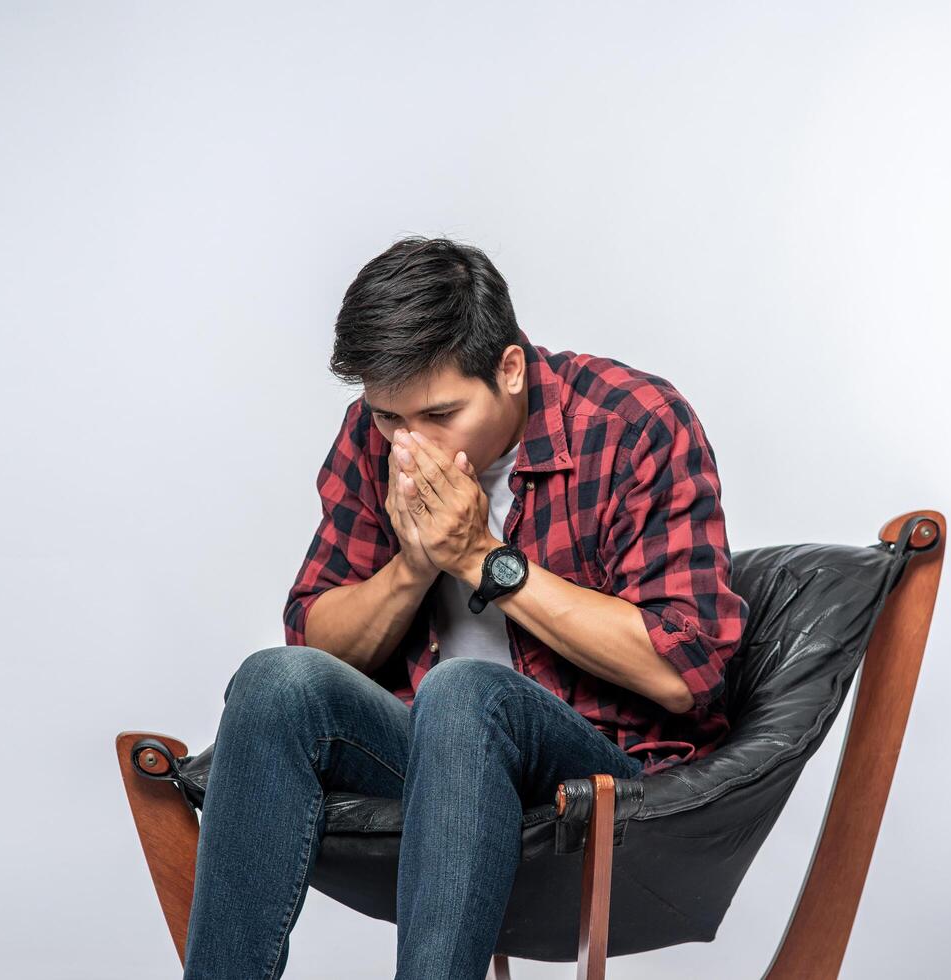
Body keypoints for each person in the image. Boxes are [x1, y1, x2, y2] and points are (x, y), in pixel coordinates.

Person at [181, 236, 748, 979]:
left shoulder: (633, 421)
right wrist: (414, 565)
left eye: (440, 413)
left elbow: (685, 670)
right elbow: (318, 641)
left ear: (509, 369)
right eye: (388, 418)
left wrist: (481, 556)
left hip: (603, 777)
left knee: (464, 692)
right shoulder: (373, 435)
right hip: (435, 767)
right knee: (274, 680)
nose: (409, 442)